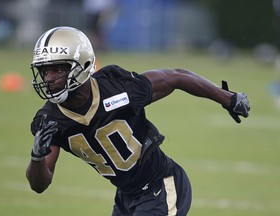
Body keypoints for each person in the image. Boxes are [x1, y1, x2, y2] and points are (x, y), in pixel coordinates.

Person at [26, 26, 250, 216]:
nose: (49, 79)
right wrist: (36, 158)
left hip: (161, 185)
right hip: (126, 198)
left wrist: (228, 99)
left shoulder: (117, 87)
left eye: (57, 70)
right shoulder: (50, 120)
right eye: (44, 71)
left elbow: (176, 76)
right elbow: (39, 185)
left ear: (82, 65)